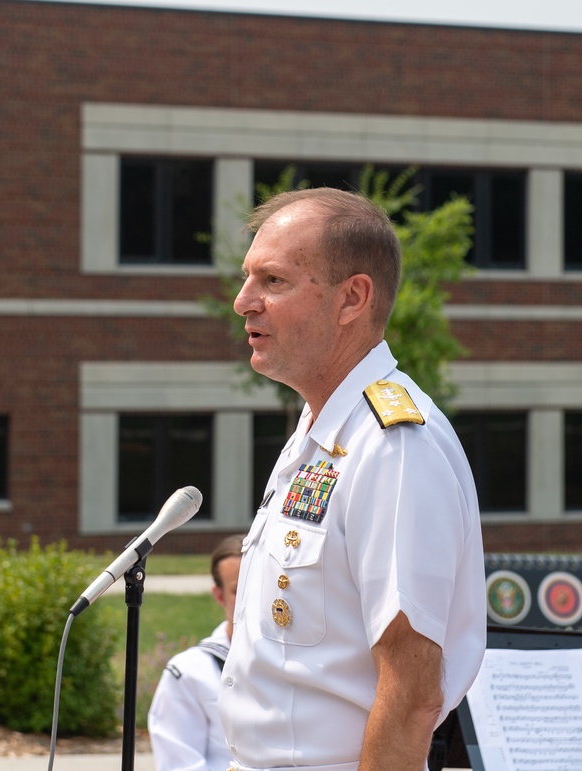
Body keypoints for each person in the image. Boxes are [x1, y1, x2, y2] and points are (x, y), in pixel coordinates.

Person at [218, 188, 486, 771]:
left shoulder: (393, 445)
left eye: (274, 281)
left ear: (352, 299)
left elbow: (413, 692)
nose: (243, 302)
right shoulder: (319, 430)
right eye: (247, 279)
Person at [148, 534, 243, 771]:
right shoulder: (190, 672)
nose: (253, 599)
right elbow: (179, 764)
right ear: (219, 595)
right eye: (239, 590)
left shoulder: (303, 662)